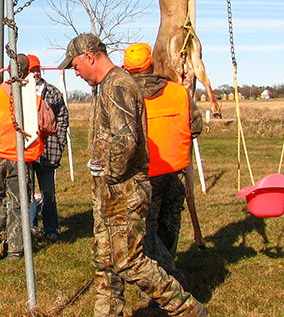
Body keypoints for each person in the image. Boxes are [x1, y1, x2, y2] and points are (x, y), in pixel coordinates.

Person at [58, 33, 208, 317]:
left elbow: (127, 140)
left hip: (123, 188)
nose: (75, 72)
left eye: (75, 65)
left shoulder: (118, 85)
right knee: (104, 260)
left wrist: (109, 173)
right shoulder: (109, 85)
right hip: (110, 188)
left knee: (128, 260)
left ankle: (188, 309)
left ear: (90, 57)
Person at [123, 42, 203, 287]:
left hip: (144, 177)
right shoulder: (178, 92)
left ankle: (162, 280)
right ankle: (168, 271)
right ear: (152, 65)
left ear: (126, 69)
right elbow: (196, 127)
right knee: (170, 225)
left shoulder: (125, 97)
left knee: (147, 232)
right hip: (174, 173)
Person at [0, 54, 56, 260]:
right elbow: (51, 126)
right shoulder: (35, 101)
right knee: (19, 203)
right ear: (28, 73)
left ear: (7, 70)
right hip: (21, 160)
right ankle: (15, 249)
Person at [26, 54, 69, 242]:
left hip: (47, 151)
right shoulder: (18, 93)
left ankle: (51, 228)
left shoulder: (52, 92)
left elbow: (62, 116)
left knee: (48, 192)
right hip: (27, 151)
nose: (35, 73)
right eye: (31, 70)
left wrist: (59, 142)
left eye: (37, 69)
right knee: (27, 192)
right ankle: (31, 227)